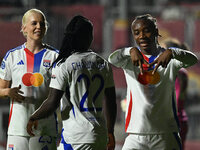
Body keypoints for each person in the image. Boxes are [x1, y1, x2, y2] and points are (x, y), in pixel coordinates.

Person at [26, 15, 117, 150]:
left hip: (76, 138)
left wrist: (34, 117)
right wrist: (110, 131)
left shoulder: (64, 64)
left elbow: (52, 102)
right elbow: (111, 102)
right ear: (90, 37)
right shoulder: (102, 63)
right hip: (99, 136)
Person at [108, 14, 198, 150]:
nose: (142, 36)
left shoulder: (169, 58)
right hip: (136, 134)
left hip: (165, 134)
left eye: (146, 30)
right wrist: (130, 50)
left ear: (156, 32)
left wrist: (173, 52)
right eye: (137, 33)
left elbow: (193, 60)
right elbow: (112, 59)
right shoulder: (130, 59)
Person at [0, 8, 61, 150]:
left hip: (45, 129)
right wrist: (8, 92)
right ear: (24, 28)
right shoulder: (12, 56)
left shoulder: (55, 57)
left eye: (42, 24)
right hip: (17, 130)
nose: (39, 27)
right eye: (34, 23)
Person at [162, 38, 189, 150]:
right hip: (179, 119)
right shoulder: (180, 70)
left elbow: (177, 98)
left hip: (174, 120)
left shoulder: (178, 71)